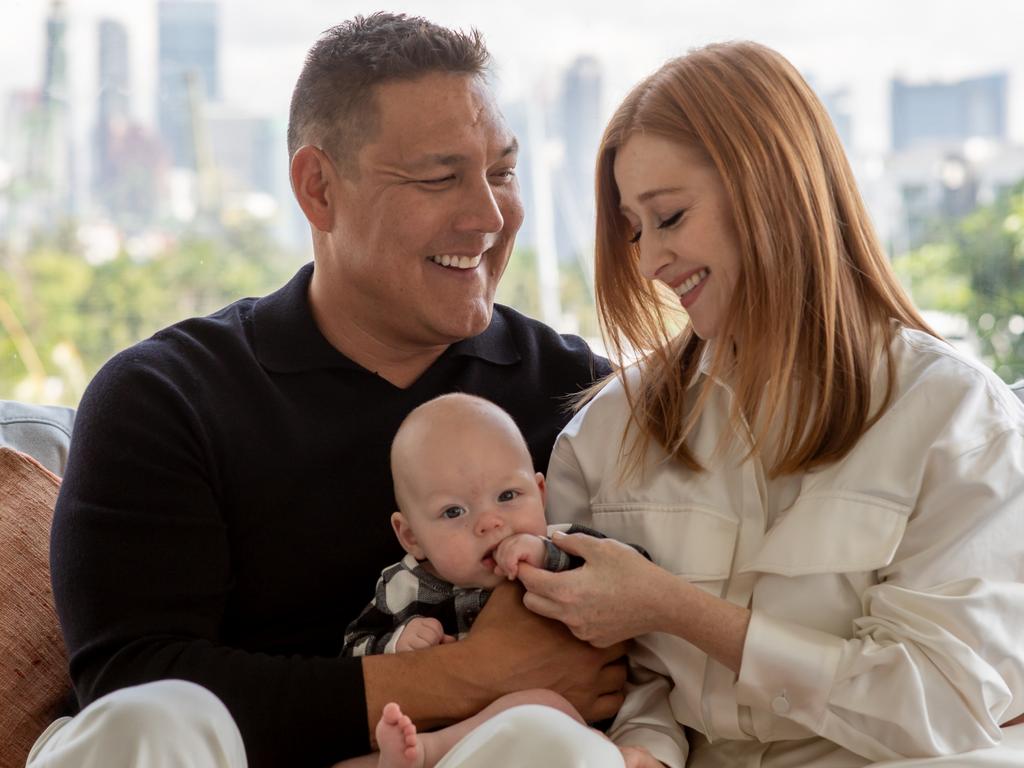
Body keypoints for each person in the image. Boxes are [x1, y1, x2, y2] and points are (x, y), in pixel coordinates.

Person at [36, 13, 624, 768]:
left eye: (503, 173)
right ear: (318, 189)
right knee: (156, 717)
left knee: (549, 744)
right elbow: (132, 686)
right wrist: (469, 673)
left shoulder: (578, 393)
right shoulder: (165, 397)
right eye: (440, 176)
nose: (488, 216)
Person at [510, 41, 1024, 767]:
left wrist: (679, 610)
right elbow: (612, 677)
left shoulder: (954, 419)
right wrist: (643, 745)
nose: (650, 261)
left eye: (670, 217)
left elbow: (944, 709)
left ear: (770, 188)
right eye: (633, 231)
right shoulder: (607, 433)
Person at [335, 393, 654, 768]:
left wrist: (547, 556)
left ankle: (427, 752)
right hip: (459, 748)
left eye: (508, 495)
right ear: (411, 537)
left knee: (543, 705)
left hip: (546, 742)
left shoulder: (563, 547)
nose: (490, 522)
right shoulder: (403, 585)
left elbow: (634, 576)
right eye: (453, 511)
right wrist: (396, 643)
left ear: (540, 493)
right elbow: (350, 659)